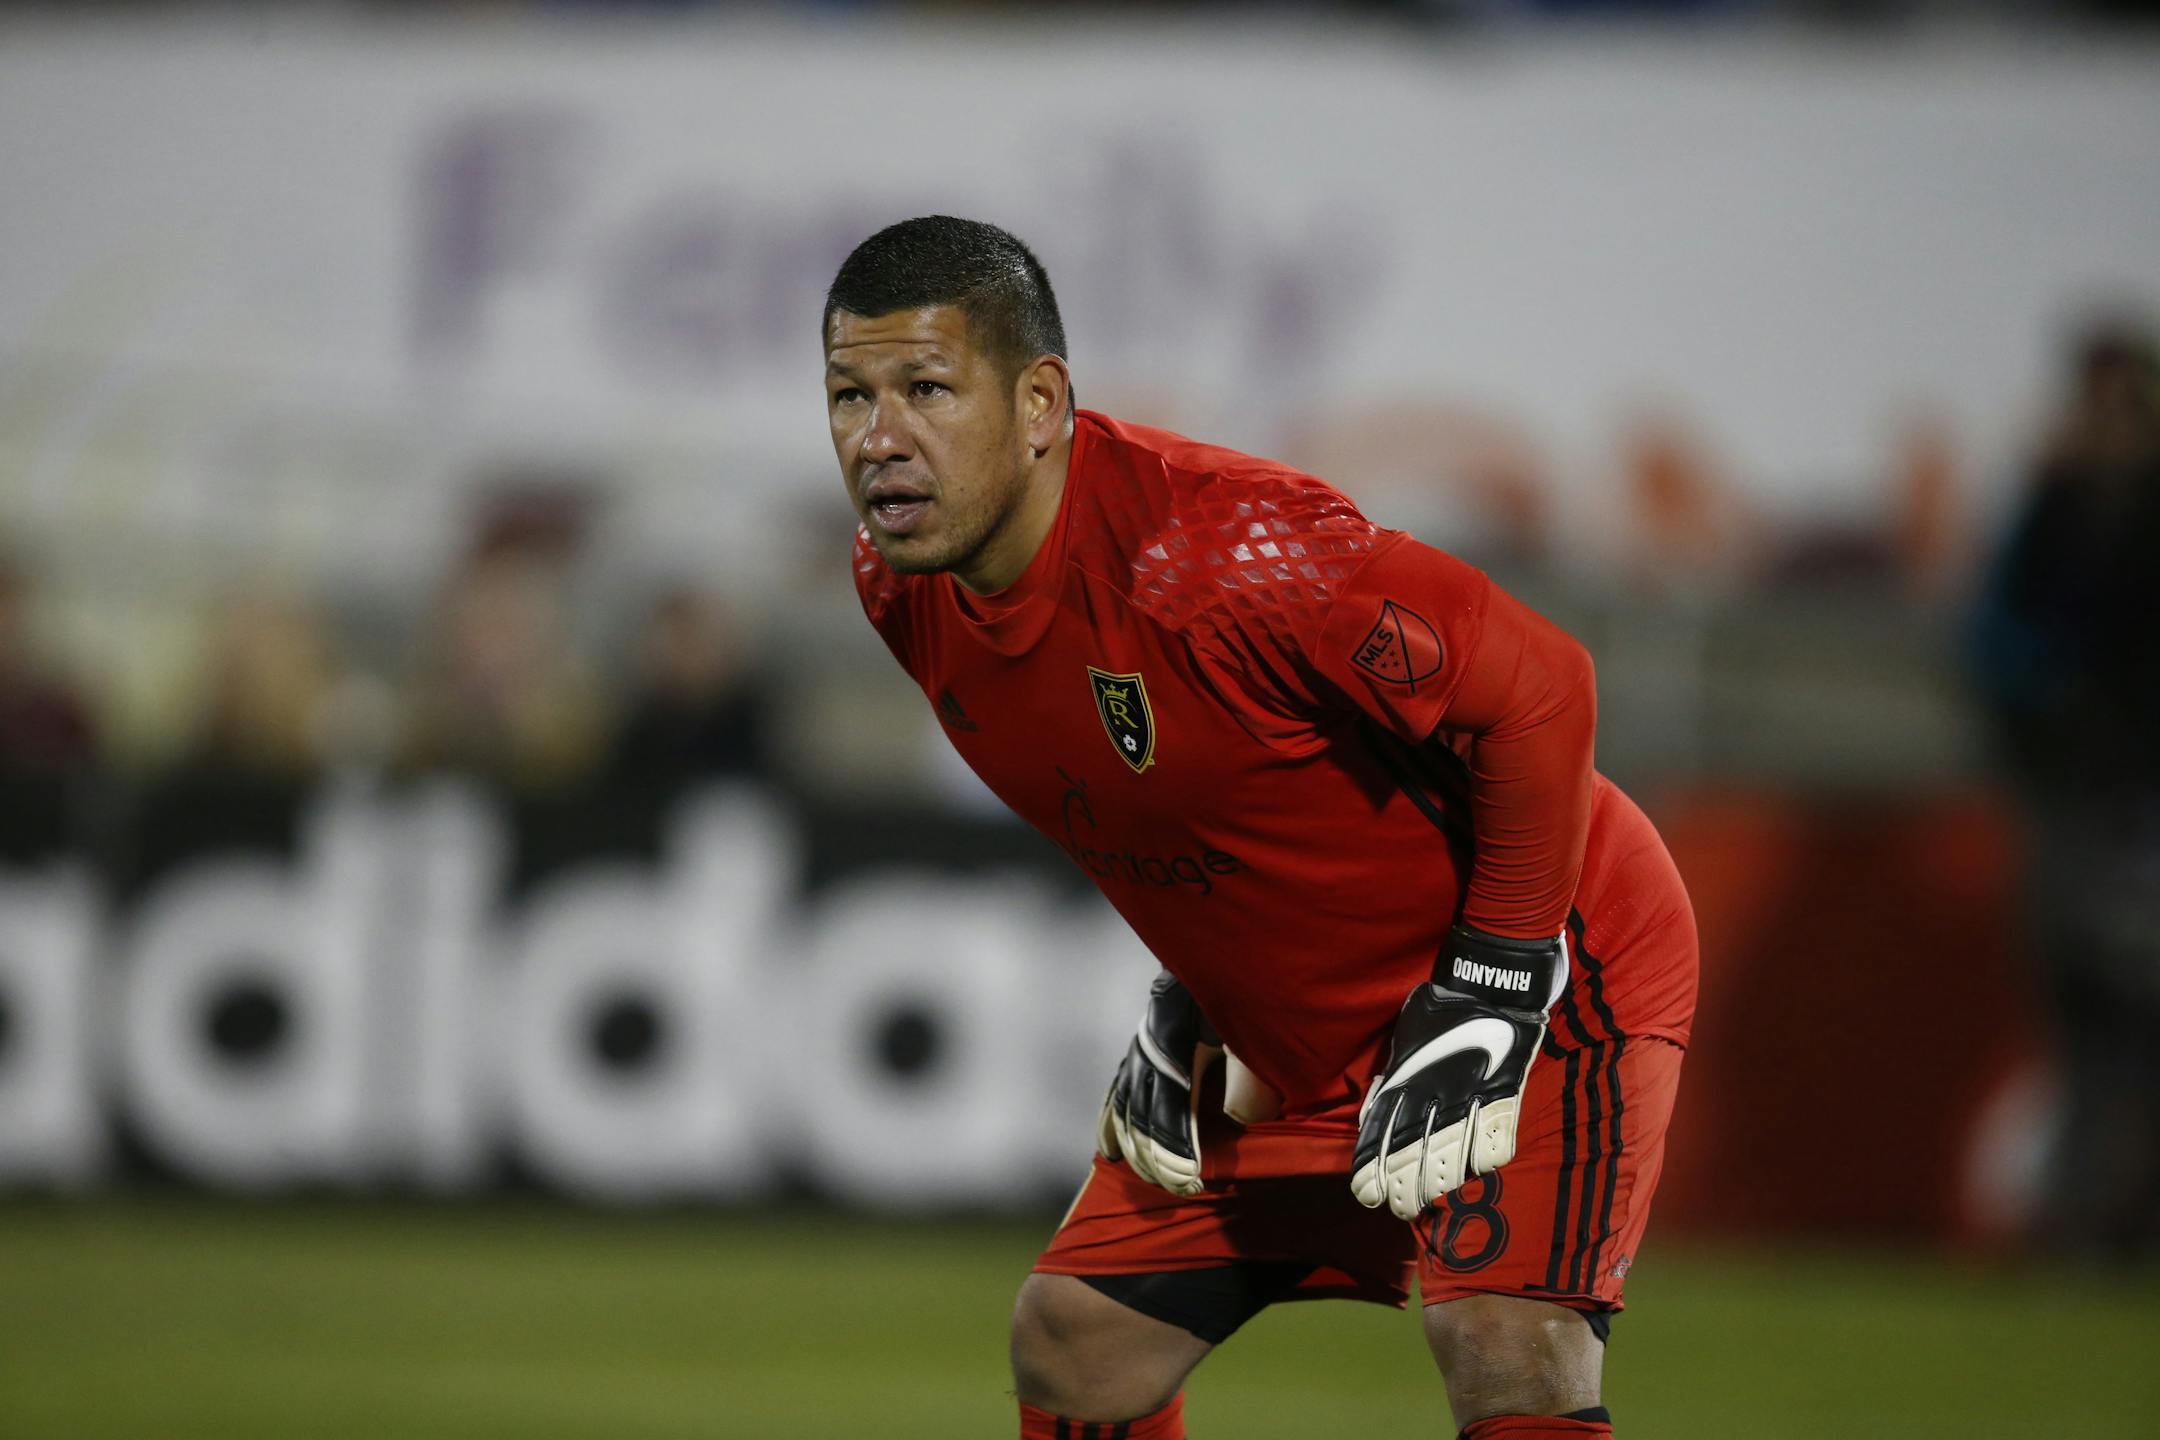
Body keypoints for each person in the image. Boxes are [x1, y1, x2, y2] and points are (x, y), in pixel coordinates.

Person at [824, 216, 1696, 1440]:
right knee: (1078, 1344)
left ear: (1038, 403)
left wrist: (1497, 976)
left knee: (1506, 1343)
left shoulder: (1226, 551)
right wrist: (1197, 988)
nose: (879, 440)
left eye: (924, 389)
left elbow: (1544, 688)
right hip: (1300, 1026)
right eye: (849, 395)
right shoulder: (898, 585)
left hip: (1546, 954)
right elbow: (1180, 784)